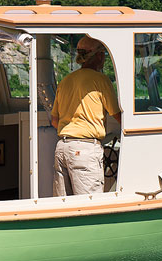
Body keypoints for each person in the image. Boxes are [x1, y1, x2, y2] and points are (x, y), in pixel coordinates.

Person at [49, 37, 122, 195]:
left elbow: (55, 121)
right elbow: (118, 117)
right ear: (99, 56)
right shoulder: (100, 80)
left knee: (63, 205)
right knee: (89, 204)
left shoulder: (65, 81)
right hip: (85, 149)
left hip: (62, 148)